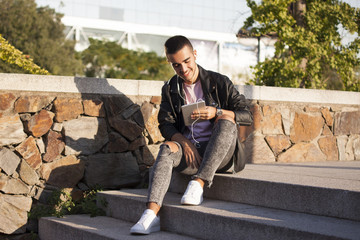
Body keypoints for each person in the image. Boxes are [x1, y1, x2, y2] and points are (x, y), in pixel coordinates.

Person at [130, 35, 253, 235]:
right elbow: (166, 124)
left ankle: (198, 184)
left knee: (226, 122)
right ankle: (150, 215)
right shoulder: (171, 88)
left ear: (194, 54)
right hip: (191, 153)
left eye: (186, 61)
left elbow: (246, 115)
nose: (183, 70)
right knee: (166, 148)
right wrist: (183, 142)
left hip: (221, 154)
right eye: (176, 65)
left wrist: (217, 112)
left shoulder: (219, 82)